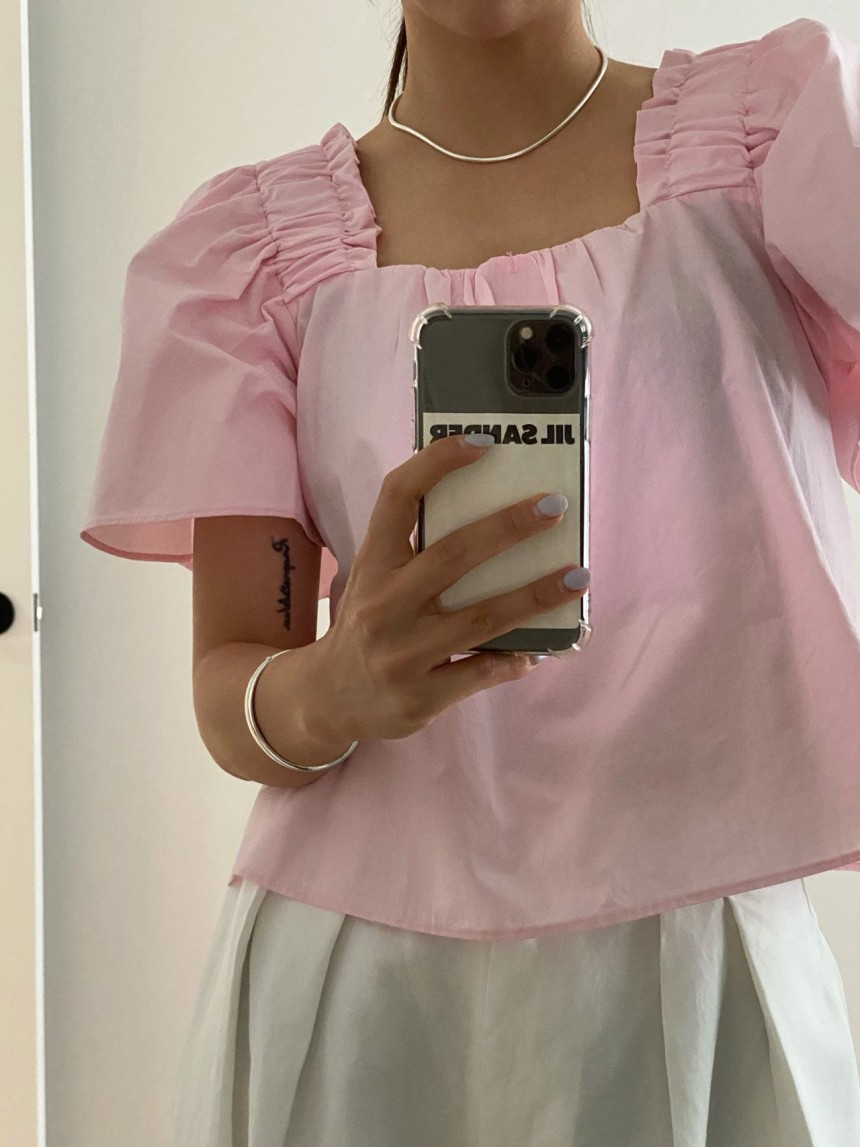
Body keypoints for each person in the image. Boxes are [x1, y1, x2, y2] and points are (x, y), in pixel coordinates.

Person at [80, 2, 860, 1143]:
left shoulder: (775, 136)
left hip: (700, 954)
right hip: (361, 990)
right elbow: (229, 690)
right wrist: (335, 686)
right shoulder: (251, 258)